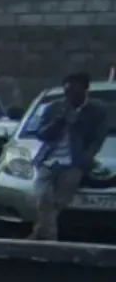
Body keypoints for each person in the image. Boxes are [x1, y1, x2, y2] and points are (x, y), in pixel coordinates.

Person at [30, 72, 108, 242]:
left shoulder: (97, 111)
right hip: (49, 159)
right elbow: (41, 134)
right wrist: (59, 121)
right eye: (67, 91)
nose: (69, 95)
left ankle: (41, 234)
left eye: (74, 91)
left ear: (85, 90)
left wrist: (85, 161)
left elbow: (97, 139)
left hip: (74, 162)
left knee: (60, 199)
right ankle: (48, 236)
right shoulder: (54, 108)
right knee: (43, 196)